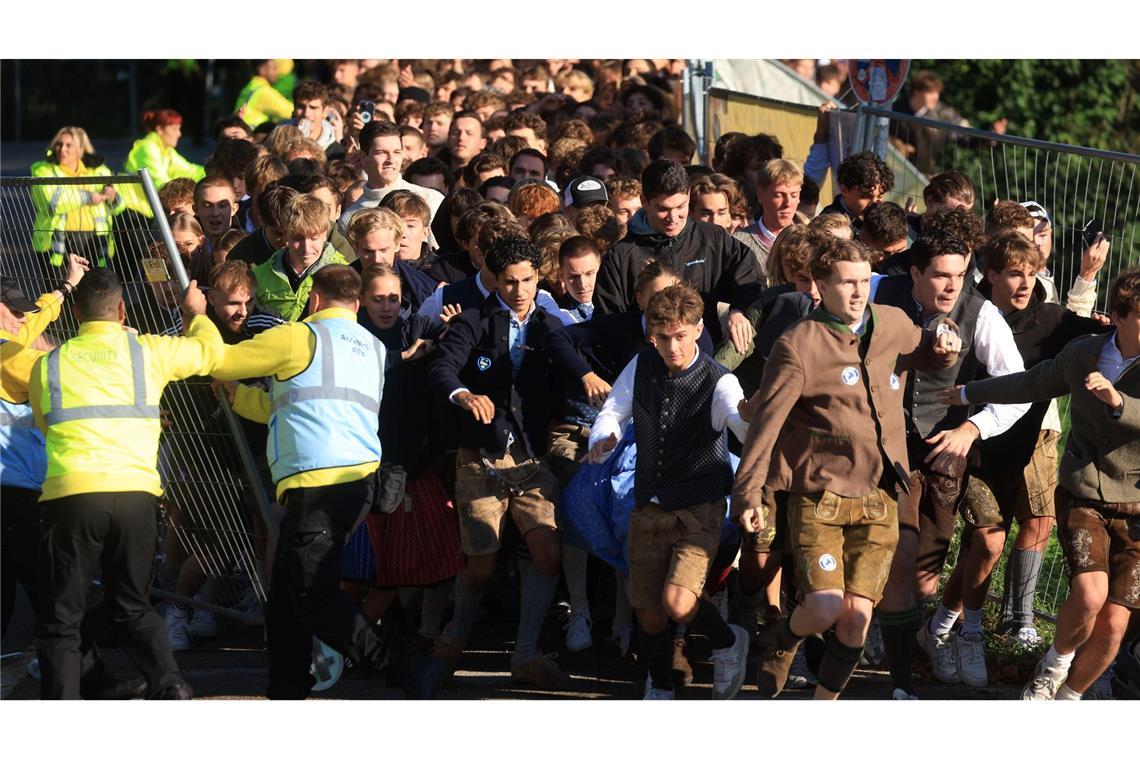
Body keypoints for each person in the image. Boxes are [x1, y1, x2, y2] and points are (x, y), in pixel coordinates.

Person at [734, 236, 963, 700]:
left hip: (880, 493)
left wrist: (943, 343)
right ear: (819, 285)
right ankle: (783, 639)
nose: (858, 293)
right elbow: (765, 424)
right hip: (821, 498)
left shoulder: (892, 322)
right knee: (823, 606)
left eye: (863, 281)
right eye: (845, 283)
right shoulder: (798, 346)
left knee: (857, 618)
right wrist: (749, 493)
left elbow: (923, 348)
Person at [212, 264, 441, 699]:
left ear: (313, 300)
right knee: (286, 595)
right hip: (355, 483)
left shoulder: (299, 337)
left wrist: (198, 319)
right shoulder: (371, 347)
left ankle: (401, 664)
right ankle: (288, 683)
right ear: (356, 305)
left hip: (320, 483)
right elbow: (291, 405)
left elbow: (222, 358)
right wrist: (237, 395)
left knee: (311, 593)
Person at [944, 266, 1140, 700]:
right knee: (1090, 595)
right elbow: (1032, 381)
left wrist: (1117, 401)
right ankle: (1052, 669)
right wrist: (968, 393)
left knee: (1113, 626)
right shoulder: (1084, 353)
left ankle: (1067, 698)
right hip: (1086, 493)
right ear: (1121, 315)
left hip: (1138, 508)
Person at [29, 268, 225, 699]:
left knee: (62, 617)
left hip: (72, 494)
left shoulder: (49, 364)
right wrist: (196, 313)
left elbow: (45, 425)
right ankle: (170, 684)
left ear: (77, 314)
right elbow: (210, 353)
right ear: (121, 310)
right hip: (137, 494)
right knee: (132, 604)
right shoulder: (147, 350)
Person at [873, 229, 1027, 696]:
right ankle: (878, 639)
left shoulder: (982, 316)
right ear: (916, 272)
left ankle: (908, 630)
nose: (952, 285)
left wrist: (972, 428)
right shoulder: (879, 290)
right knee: (890, 552)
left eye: (960, 274)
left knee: (922, 575)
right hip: (882, 447)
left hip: (943, 452)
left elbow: (1016, 386)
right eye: (941, 274)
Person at [584, 282, 751, 700]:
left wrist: (751, 415)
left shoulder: (720, 380)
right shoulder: (640, 366)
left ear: (696, 330)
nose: (672, 346)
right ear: (651, 335)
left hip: (700, 507)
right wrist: (603, 439)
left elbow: (741, 424)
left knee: (678, 603)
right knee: (649, 612)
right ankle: (659, 685)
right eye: (663, 337)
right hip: (649, 506)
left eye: (680, 335)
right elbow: (614, 411)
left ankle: (730, 641)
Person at [427, 235, 570, 690]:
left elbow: (570, 352)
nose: (520, 290)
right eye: (510, 282)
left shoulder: (550, 323)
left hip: (532, 457)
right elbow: (441, 368)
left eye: (528, 279)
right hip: (479, 457)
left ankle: (525, 655)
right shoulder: (471, 322)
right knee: (481, 566)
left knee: (548, 553)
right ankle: (451, 644)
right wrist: (464, 394)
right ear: (492, 279)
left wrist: (587, 375)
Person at [593, 159, 762, 350]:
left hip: (706, 357)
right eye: (663, 209)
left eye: (681, 207)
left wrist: (739, 310)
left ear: (689, 195)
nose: (673, 218)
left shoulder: (713, 238)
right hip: (646, 364)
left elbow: (750, 277)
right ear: (644, 202)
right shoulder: (621, 257)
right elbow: (608, 324)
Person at [30, 126, 124, 268]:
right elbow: (55, 202)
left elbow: (119, 206)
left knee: (92, 289)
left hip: (93, 241)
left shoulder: (99, 171)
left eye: (69, 145)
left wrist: (113, 197)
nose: (62, 149)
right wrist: (89, 197)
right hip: (56, 242)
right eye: (59, 144)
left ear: (80, 149)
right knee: (60, 289)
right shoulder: (43, 170)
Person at [337, 121, 444, 246]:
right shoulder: (350, 218)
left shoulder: (431, 199)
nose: (391, 160)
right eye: (381, 153)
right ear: (363, 157)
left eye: (397, 152)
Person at [253, 193, 349, 321]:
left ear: (325, 233)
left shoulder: (344, 273)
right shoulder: (260, 275)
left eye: (314, 238)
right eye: (298, 238)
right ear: (285, 235)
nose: (306, 247)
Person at [733, 159, 804, 279]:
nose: (788, 203)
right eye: (779, 195)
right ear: (761, 195)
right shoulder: (739, 243)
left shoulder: (810, 240)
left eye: (794, 195)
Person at [121, 109, 206, 209]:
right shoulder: (147, 147)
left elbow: (190, 171)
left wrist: (214, 172)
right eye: (174, 129)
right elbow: (161, 185)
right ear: (159, 129)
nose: (179, 134)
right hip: (133, 212)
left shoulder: (166, 150)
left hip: (148, 211)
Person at [820, 152, 894, 235]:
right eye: (866, 196)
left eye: (880, 197)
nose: (875, 204)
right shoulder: (831, 227)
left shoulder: (880, 220)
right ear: (844, 190)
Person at [234, 60, 294, 129]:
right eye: (274, 68)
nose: (277, 72)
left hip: (241, 130)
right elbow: (291, 111)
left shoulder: (250, 86)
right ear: (262, 70)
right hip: (251, 134)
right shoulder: (264, 91)